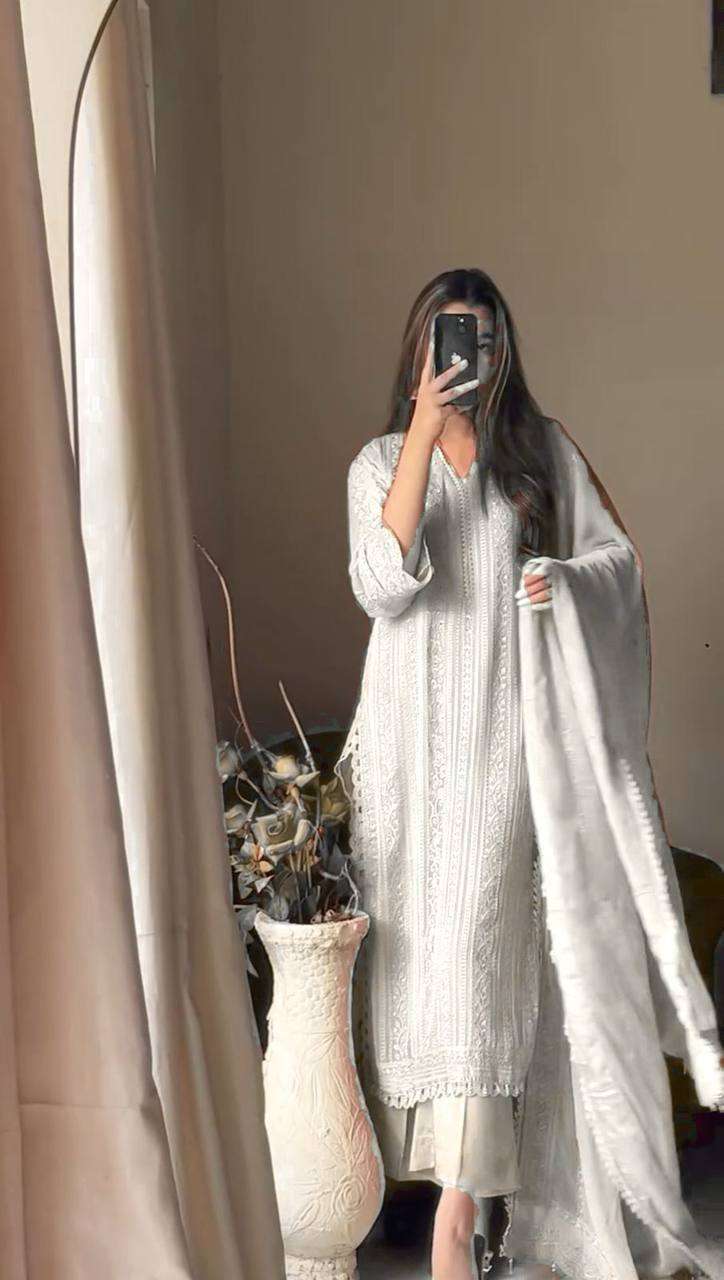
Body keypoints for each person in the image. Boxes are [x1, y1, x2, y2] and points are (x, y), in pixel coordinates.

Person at [334, 267, 724, 1280]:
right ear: (421, 347)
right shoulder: (379, 460)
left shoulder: (541, 453)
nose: (470, 355)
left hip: (508, 742)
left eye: (484, 336)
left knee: (479, 953)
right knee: (421, 972)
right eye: (449, 336)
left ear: (505, 348)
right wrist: (423, 429)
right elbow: (380, 584)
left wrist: (563, 582)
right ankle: (439, 1195)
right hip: (409, 758)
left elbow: (618, 567)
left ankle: (458, 1217)